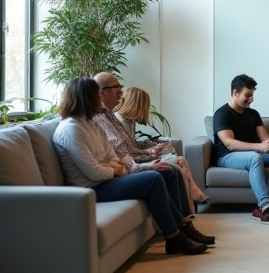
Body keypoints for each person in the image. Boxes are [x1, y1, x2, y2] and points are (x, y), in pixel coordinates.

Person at [52, 77, 207, 255]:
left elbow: (112, 156)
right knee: (153, 178)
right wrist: (116, 168)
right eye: (98, 95)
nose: (100, 98)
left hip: (107, 179)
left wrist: (117, 166)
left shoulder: (92, 124)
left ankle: (183, 228)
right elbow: (94, 172)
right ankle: (174, 238)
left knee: (168, 173)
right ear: (86, 98)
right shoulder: (71, 129)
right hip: (92, 188)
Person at [92, 72, 214, 245]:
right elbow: (115, 157)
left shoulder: (110, 116)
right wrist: (146, 158)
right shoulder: (92, 122)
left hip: (126, 164)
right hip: (117, 171)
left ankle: (185, 227)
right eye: (116, 88)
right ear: (101, 92)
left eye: (120, 87)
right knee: (168, 169)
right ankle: (176, 236)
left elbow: (127, 149)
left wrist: (149, 151)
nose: (121, 92)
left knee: (173, 171)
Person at [212, 74, 269, 225]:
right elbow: (229, 143)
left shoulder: (253, 114)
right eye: (247, 95)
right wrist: (259, 147)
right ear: (235, 93)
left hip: (253, 153)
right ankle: (268, 209)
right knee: (255, 157)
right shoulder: (221, 114)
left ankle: (262, 207)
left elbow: (266, 139)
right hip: (228, 156)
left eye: (252, 95)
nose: (251, 99)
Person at [114, 86, 209, 211]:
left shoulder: (129, 121)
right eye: (145, 105)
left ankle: (190, 208)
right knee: (180, 161)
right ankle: (190, 207)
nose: (146, 109)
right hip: (131, 164)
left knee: (180, 160)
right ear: (137, 104)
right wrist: (149, 154)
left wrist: (153, 147)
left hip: (135, 158)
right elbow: (127, 154)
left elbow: (134, 146)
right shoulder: (118, 121)